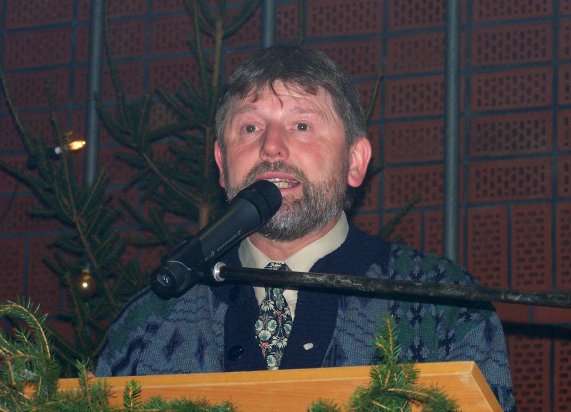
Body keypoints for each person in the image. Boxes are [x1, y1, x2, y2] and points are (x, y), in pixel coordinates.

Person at [96, 45, 515, 410]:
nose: (271, 147)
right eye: (250, 128)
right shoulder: (150, 320)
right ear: (222, 165)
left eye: (301, 125)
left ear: (354, 161)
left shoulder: (442, 304)